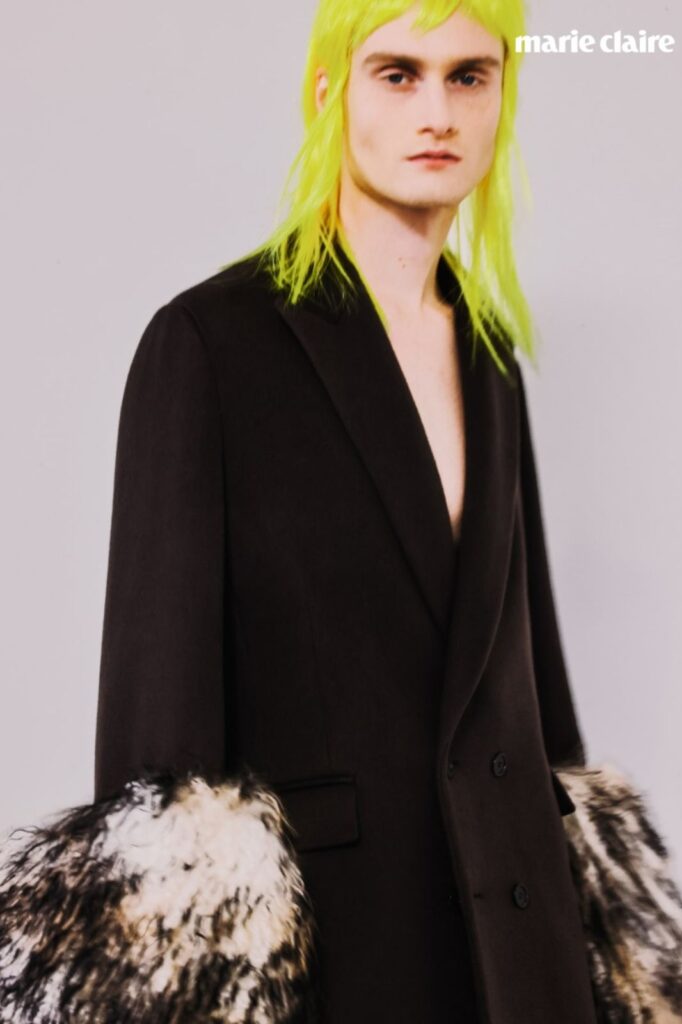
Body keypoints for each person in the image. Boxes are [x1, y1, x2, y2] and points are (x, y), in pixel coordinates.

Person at [94, 1, 597, 1021]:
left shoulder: (489, 353)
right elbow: (157, 739)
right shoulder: (213, 345)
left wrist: (599, 931)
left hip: (522, 955)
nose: (437, 111)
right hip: (335, 954)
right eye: (397, 73)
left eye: (468, 75)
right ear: (329, 92)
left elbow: (528, 679)